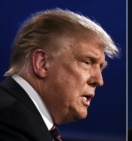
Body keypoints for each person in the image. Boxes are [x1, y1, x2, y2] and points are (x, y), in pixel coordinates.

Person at [0, 8, 119, 141]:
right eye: (87, 62)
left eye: (101, 68)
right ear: (42, 63)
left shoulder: (28, 120)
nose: (99, 80)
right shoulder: (7, 120)